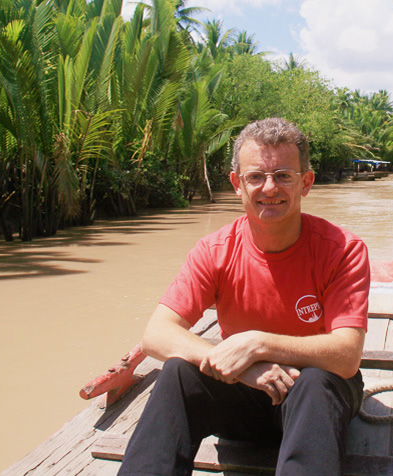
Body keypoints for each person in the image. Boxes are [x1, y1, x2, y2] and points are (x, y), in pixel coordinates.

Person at [118, 117, 370, 476]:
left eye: (283, 175)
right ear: (237, 184)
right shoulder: (214, 250)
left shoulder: (342, 249)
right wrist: (245, 369)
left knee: (316, 381)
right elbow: (156, 334)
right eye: (256, 177)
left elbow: (346, 356)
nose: (269, 188)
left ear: (306, 183)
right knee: (177, 372)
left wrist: (257, 344)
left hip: (318, 401)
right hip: (245, 397)